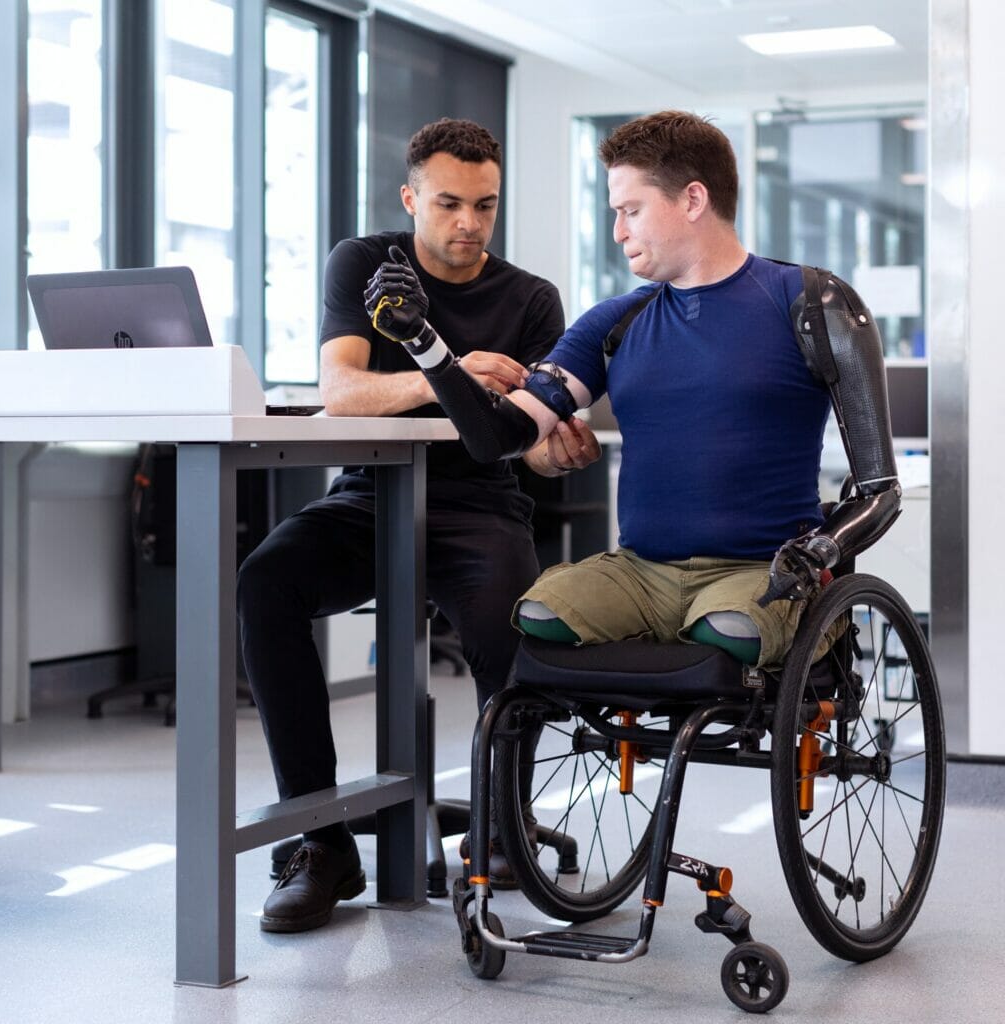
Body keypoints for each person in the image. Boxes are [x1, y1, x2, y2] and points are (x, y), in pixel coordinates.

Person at [365, 109, 901, 671]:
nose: (618, 231)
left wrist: (820, 551)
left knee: (728, 629)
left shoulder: (813, 306)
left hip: (757, 571)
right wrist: (424, 343)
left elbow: (880, 490)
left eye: (630, 211)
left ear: (692, 201)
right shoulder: (612, 325)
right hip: (640, 574)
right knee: (538, 616)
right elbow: (498, 435)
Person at [237, 118, 598, 933]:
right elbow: (342, 391)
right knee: (267, 583)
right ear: (411, 199)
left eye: (484, 205)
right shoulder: (366, 265)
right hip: (371, 493)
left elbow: (532, 451)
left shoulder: (532, 298)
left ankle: (504, 823)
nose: (467, 222)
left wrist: (555, 455)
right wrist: (447, 372)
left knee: (513, 626)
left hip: (480, 504)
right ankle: (321, 843)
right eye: (447, 203)